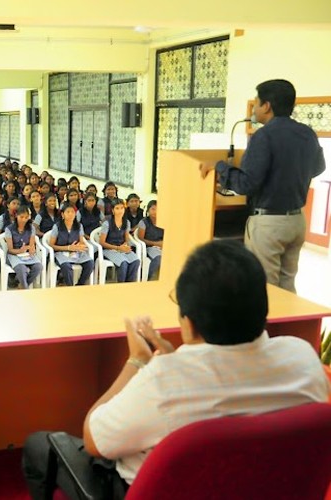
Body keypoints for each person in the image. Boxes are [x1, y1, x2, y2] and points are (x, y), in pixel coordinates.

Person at [22, 240, 329, 500]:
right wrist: (172, 360)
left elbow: (94, 438)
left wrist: (138, 361)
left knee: (39, 444)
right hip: (265, 488)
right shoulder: (302, 357)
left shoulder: (164, 382)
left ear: (189, 322)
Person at [201, 79, 325, 293]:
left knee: (263, 288)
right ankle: (284, 327)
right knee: (286, 286)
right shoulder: (307, 133)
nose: (255, 108)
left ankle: (265, 328)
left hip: (269, 224)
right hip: (296, 221)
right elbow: (318, 168)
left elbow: (246, 184)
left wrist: (219, 167)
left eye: (257, 103)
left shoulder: (264, 136)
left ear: (266, 106)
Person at [48, 204, 94, 286]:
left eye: (72, 212)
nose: (70, 214)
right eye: (68, 212)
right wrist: (68, 248)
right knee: (66, 266)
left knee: (90, 263)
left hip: (76, 252)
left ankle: (80, 284)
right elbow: (51, 245)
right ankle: (70, 286)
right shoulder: (57, 226)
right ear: (63, 214)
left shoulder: (79, 226)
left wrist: (79, 246)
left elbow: (82, 241)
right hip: (61, 252)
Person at [99, 199, 140, 283]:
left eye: (122, 208)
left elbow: (126, 238)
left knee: (136, 261)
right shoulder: (107, 223)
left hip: (122, 248)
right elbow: (102, 242)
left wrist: (125, 245)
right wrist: (118, 248)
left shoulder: (127, 222)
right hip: (109, 249)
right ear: (113, 210)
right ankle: (121, 285)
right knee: (123, 263)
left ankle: (129, 285)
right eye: (117, 208)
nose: (120, 210)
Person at [4, 205, 42, 289]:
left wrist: (31, 249)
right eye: (21, 217)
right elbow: (10, 249)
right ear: (16, 216)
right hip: (13, 254)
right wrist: (20, 250)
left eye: (26, 217)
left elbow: (31, 245)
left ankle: (23, 285)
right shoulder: (9, 229)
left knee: (38, 266)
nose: (24, 220)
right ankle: (25, 288)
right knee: (22, 268)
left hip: (26, 254)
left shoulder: (31, 228)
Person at [137, 200, 164, 281]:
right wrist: (156, 243)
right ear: (148, 210)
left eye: (157, 209)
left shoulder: (163, 221)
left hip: (162, 246)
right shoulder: (144, 222)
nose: (155, 211)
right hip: (149, 247)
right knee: (158, 258)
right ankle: (150, 278)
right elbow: (141, 239)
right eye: (153, 209)